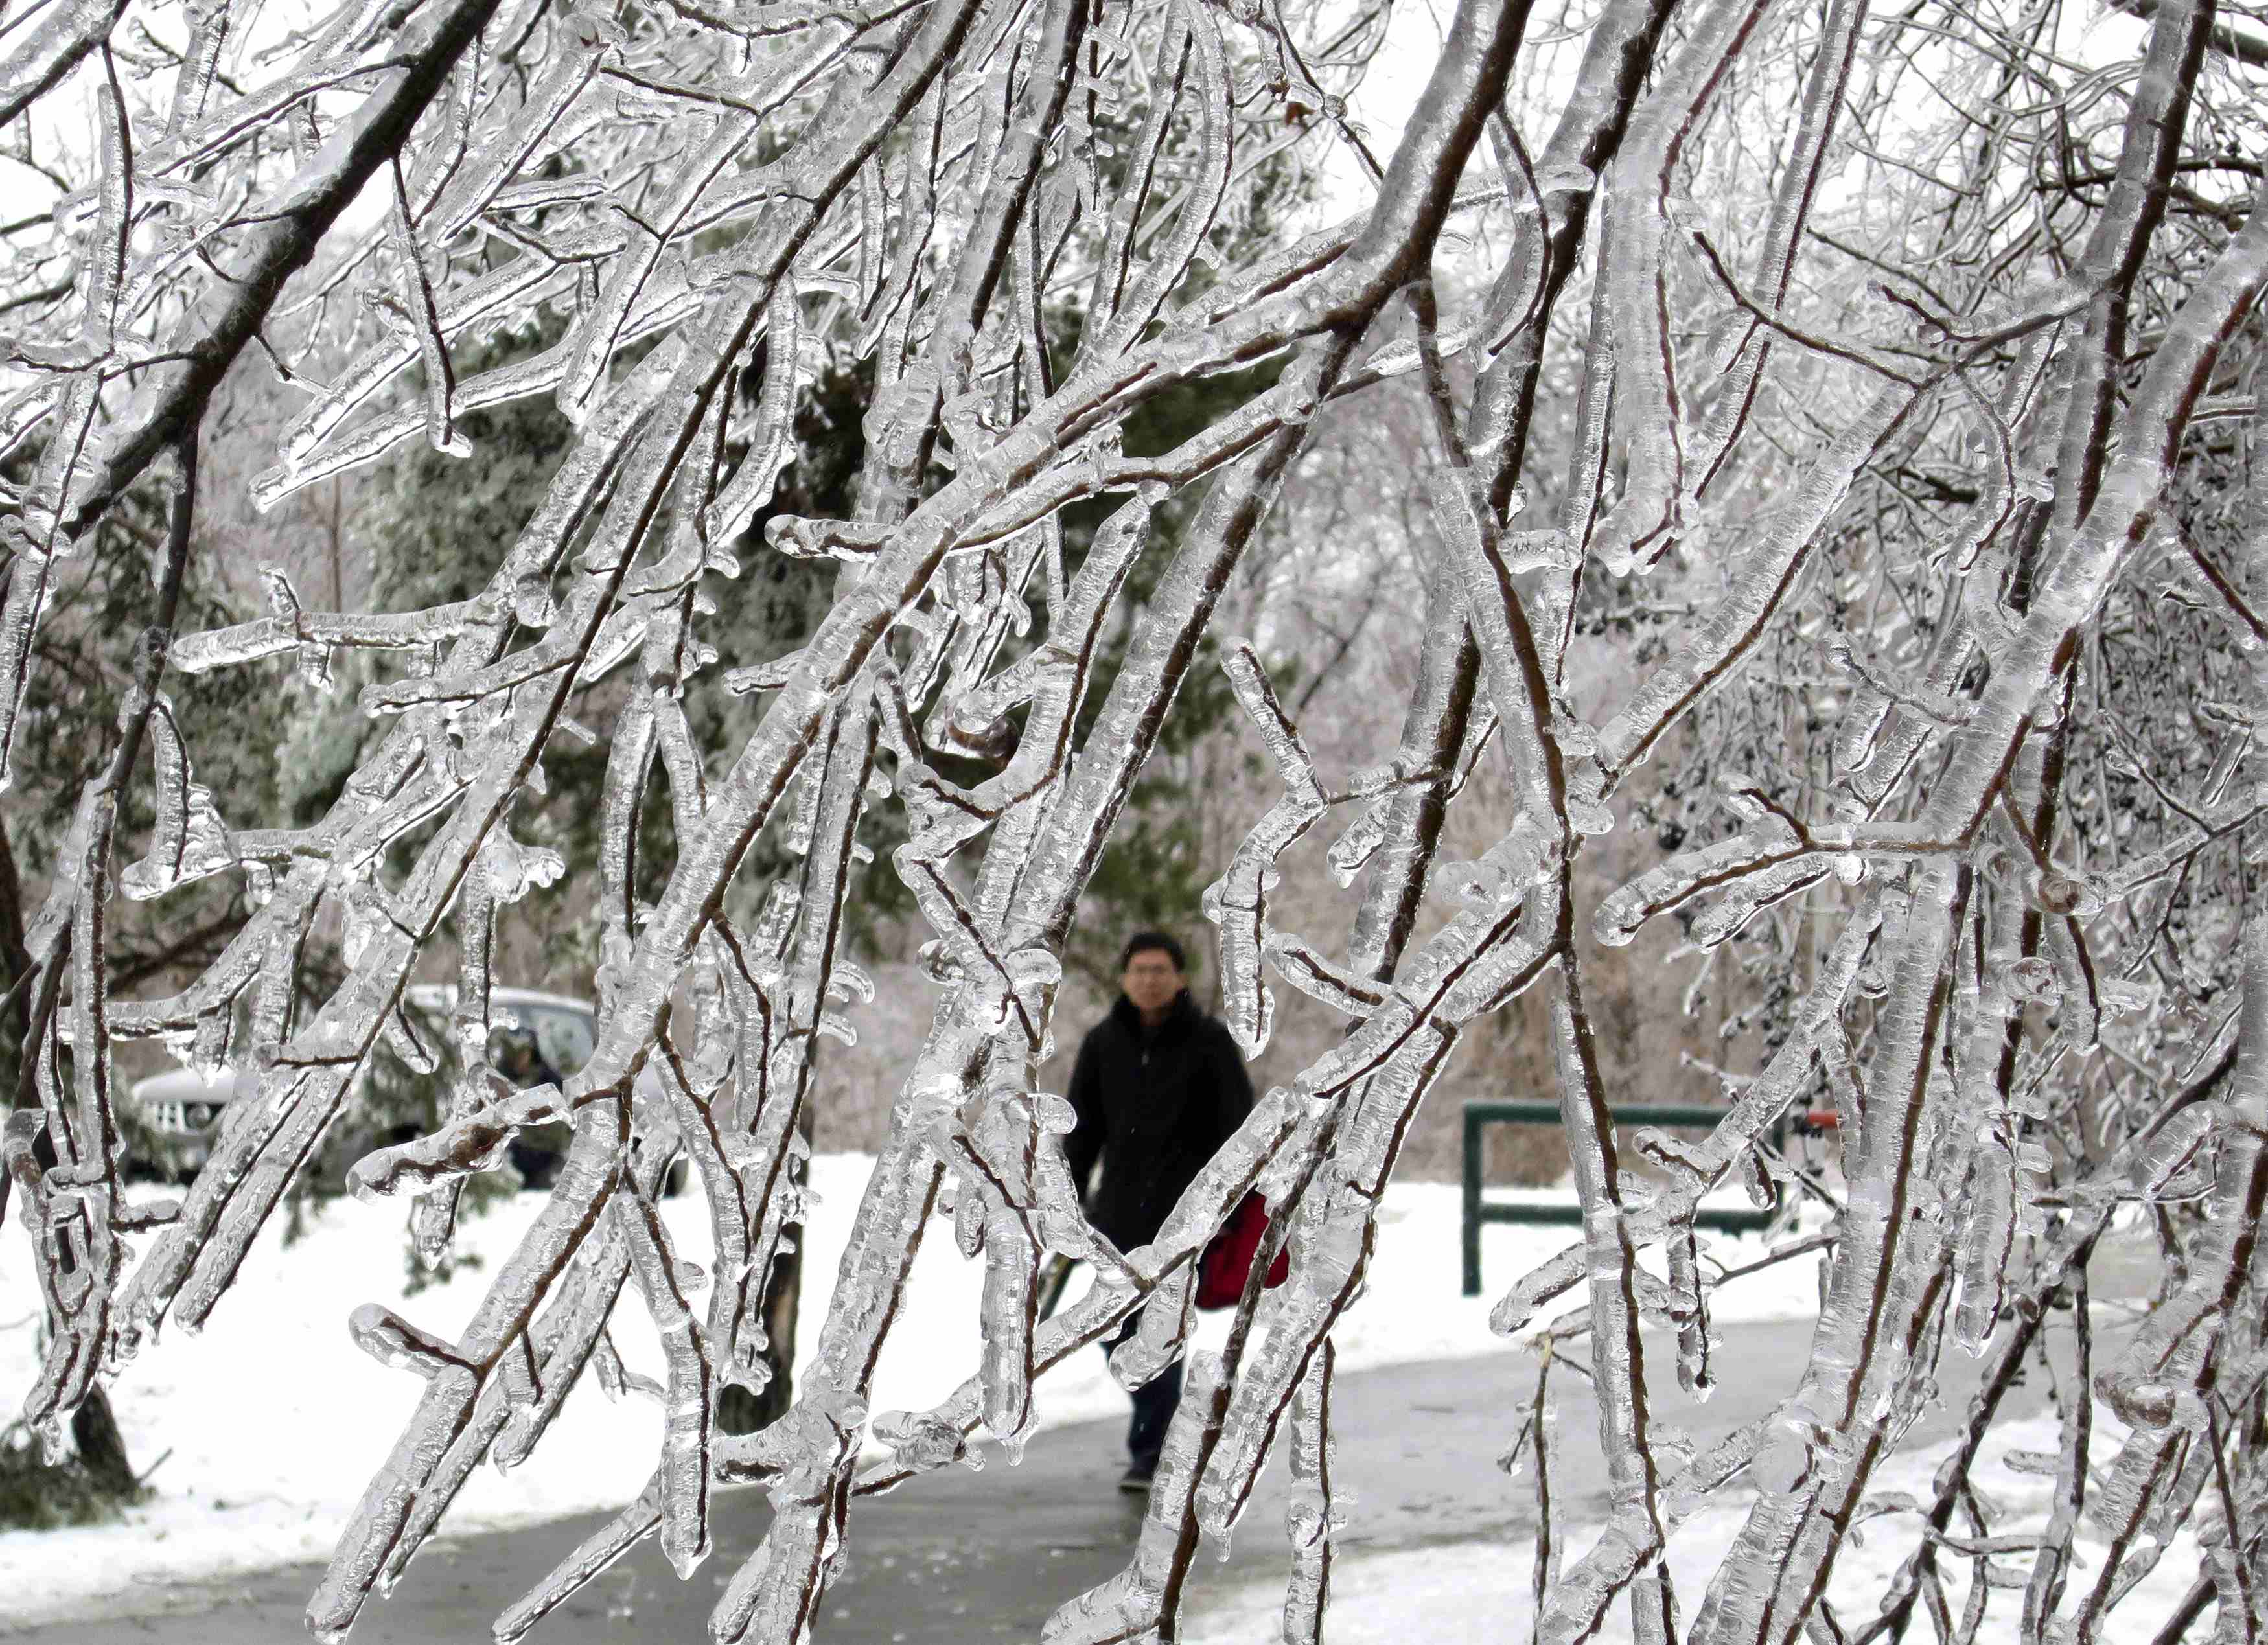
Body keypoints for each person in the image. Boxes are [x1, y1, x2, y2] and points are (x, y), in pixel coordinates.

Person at [1065, 930, 1255, 1493]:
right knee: (1112, 1332)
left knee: (1161, 1332)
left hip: (1185, 1220)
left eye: (1160, 969)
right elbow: (1082, 1131)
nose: (1149, 979)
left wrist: (1229, 1207)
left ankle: (1152, 1453)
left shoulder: (1209, 1042)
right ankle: (1169, 1436)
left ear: (1179, 978)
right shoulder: (1102, 1043)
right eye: (1139, 969)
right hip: (1117, 1218)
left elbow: (1237, 1130)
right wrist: (1065, 1201)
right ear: (1125, 977)